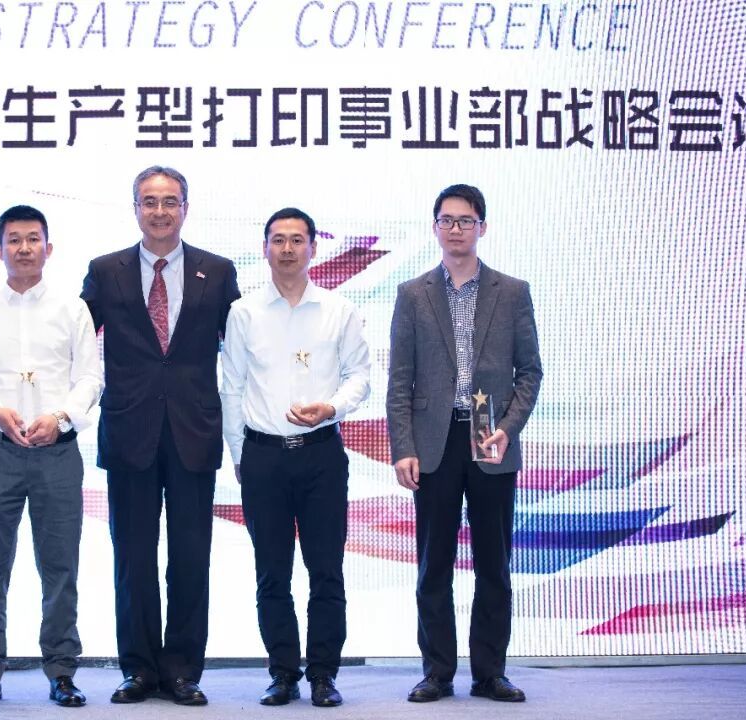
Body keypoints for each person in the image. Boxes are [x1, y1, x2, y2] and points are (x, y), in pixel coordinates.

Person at [80, 166, 240, 706]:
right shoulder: (106, 271)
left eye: (170, 201)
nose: (160, 211)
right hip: (130, 430)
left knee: (192, 558)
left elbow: (244, 349)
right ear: (135, 209)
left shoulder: (218, 272)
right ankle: (139, 669)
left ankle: (183, 671)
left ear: (185, 209)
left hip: (194, 431)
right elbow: (73, 341)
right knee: (133, 557)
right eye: (149, 202)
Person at [386, 185, 542, 703]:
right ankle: (437, 672)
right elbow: (400, 380)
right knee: (434, 563)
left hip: (490, 435)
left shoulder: (512, 291)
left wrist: (508, 428)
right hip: (435, 441)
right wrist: (403, 446)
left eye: (466, 220)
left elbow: (530, 373)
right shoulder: (413, 294)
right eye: (447, 220)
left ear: (482, 227)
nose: (456, 229)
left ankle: (490, 673)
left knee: (493, 563)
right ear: (435, 228)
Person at [0, 205, 102, 707]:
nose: (23, 248)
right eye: (13, 240)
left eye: (33, 239)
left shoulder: (72, 310)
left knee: (60, 568)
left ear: (48, 248)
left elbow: (90, 378)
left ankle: (61, 671)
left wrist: (60, 417)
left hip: (57, 454)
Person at [221, 207, 370, 708]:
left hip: (321, 456)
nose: (287, 249)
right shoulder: (243, 313)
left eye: (297, 240)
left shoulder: (338, 310)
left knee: (326, 570)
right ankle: (282, 672)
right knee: (272, 573)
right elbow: (231, 387)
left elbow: (359, 377)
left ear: (313, 248)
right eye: (278, 240)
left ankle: (324, 674)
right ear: (265, 248)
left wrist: (332, 407)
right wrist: (239, 454)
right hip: (263, 458)